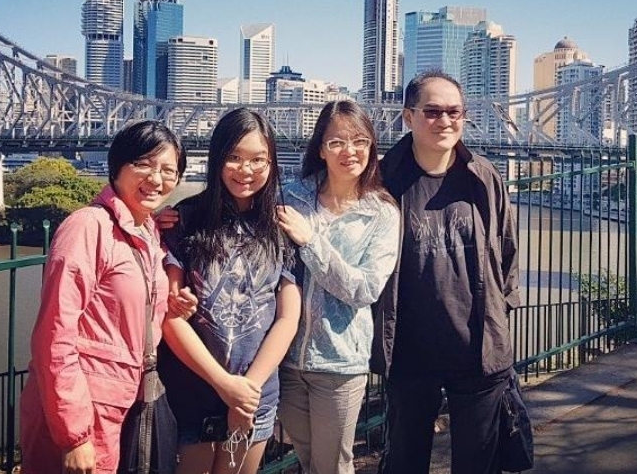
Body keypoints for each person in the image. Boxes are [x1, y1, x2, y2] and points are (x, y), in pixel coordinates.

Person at [19, 119, 193, 474]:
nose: (156, 179)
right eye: (143, 164)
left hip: (122, 403)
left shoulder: (145, 232)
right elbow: (54, 334)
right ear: (117, 166)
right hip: (82, 408)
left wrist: (170, 301)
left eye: (168, 170)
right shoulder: (87, 227)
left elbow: (127, 310)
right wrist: (75, 436)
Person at [371, 70, 522, 474]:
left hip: (477, 349)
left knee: (480, 463)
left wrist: (501, 315)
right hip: (407, 350)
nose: (445, 121)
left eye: (454, 112)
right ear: (408, 116)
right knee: (404, 462)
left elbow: (507, 251)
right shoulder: (383, 180)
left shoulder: (484, 175)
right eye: (432, 111)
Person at [157, 107, 302, 474]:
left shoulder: (280, 227)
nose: (246, 170)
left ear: (272, 164)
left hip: (256, 396)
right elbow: (171, 315)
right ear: (217, 158)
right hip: (196, 388)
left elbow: (288, 317)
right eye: (234, 158)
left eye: (258, 159)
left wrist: (245, 392)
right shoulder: (185, 219)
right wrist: (225, 385)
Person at [275, 100, 401, 474]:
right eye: (336, 143)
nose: (350, 151)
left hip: (341, 363)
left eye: (360, 141)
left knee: (332, 465)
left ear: (372, 147)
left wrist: (310, 241)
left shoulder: (381, 213)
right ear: (320, 148)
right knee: (307, 459)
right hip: (284, 358)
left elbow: (365, 290)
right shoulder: (291, 196)